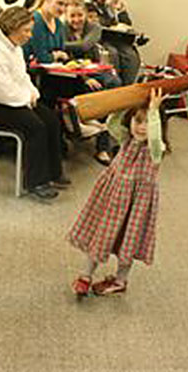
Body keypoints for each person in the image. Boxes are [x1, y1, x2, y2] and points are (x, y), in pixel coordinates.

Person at [0, 7, 68, 201]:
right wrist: (26, 99)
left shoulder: (13, 46)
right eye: (26, 30)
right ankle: (36, 182)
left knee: (51, 118)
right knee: (34, 126)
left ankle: (54, 172)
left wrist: (31, 93)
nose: (30, 35)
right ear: (12, 27)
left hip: (6, 98)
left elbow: (21, 77)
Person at [68, 88, 165, 297]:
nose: (141, 128)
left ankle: (121, 280)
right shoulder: (126, 139)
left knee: (128, 240)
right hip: (113, 198)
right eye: (138, 121)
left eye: (147, 123)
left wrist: (154, 112)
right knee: (101, 234)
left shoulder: (156, 150)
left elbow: (155, 139)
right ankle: (86, 275)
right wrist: (124, 101)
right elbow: (112, 124)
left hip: (136, 204)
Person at [64, 0, 123, 165]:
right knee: (97, 93)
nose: (76, 20)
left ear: (85, 15)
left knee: (115, 85)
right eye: (72, 16)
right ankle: (102, 144)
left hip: (95, 69)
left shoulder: (94, 28)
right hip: (75, 73)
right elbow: (66, 59)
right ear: (66, 16)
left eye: (80, 15)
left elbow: (84, 46)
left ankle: (103, 139)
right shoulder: (62, 28)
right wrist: (85, 77)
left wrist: (64, 45)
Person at [88, 0, 140, 85]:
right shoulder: (89, 5)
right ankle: (115, 86)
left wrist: (121, 11)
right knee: (113, 53)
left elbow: (127, 24)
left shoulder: (110, 6)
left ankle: (127, 86)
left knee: (131, 56)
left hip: (117, 39)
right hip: (101, 39)